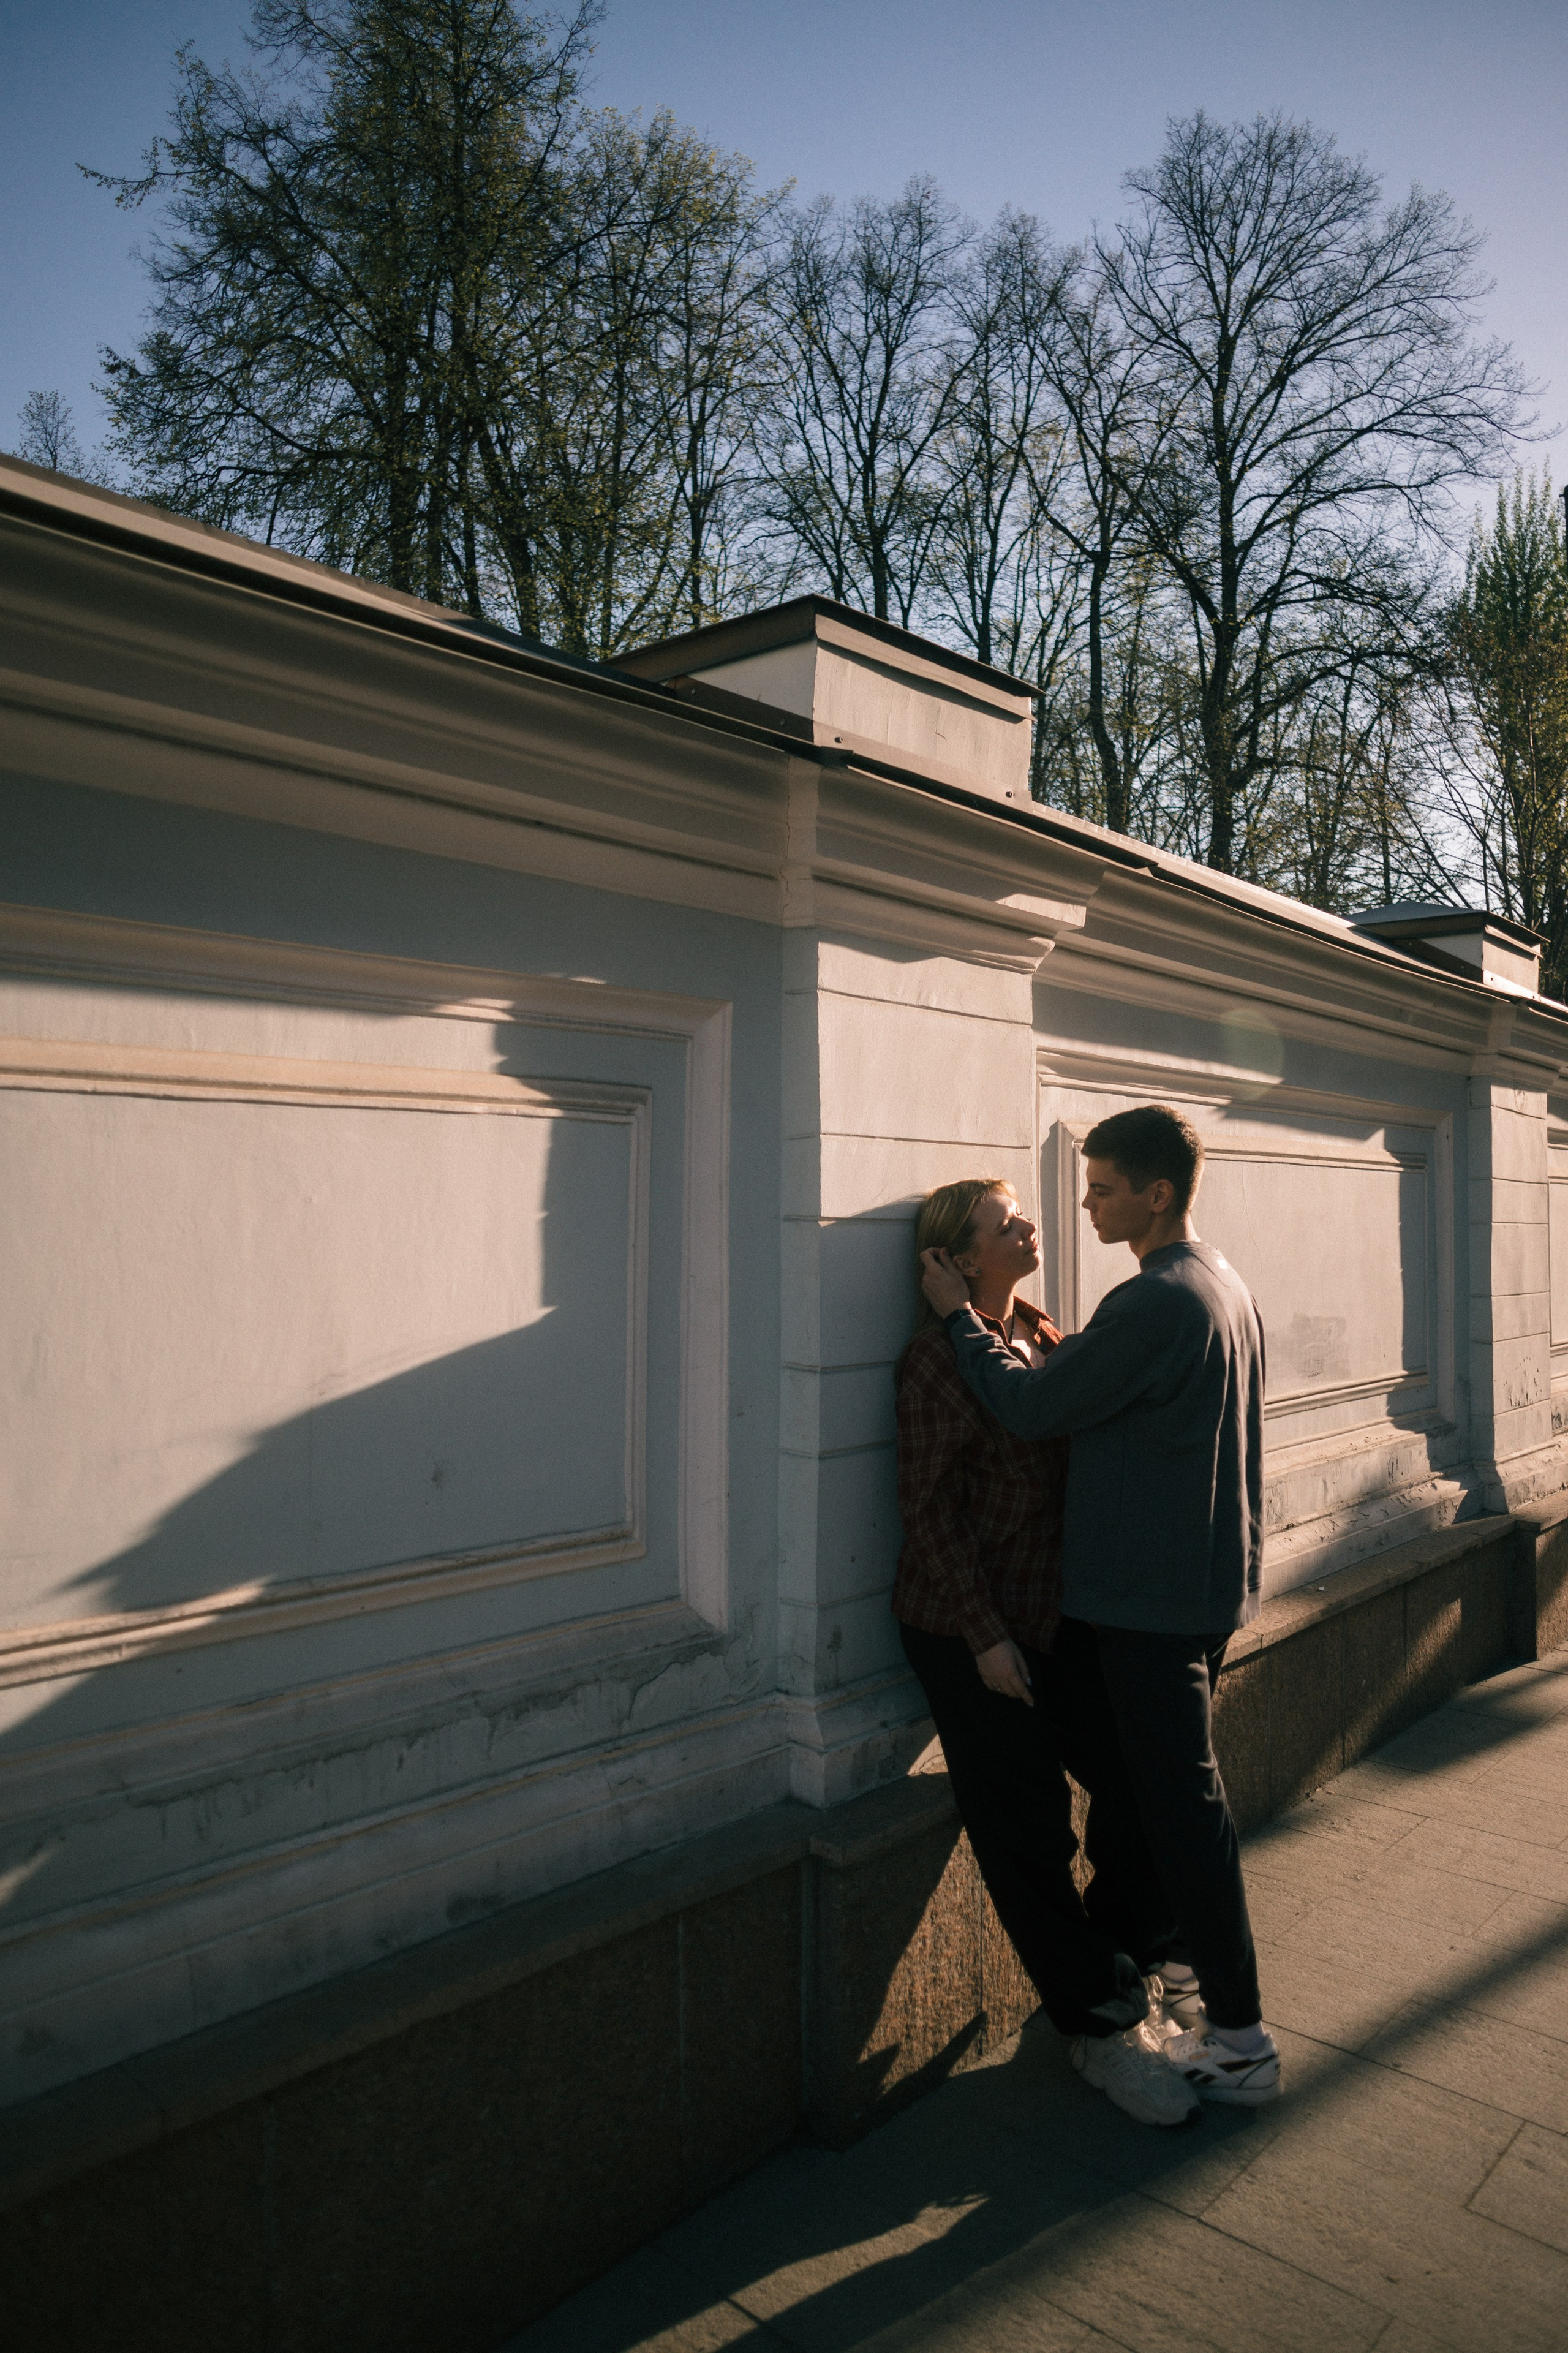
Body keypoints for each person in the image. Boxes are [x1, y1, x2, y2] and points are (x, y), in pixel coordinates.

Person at [918, 1107, 1280, 2107]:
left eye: (1104, 1187)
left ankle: (1240, 2035)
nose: (1083, 1205)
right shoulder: (1222, 1283)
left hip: (1150, 1606)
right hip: (1194, 1590)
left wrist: (958, 1316)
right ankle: (1166, 1967)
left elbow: (1033, 1407)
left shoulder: (1152, 1302)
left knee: (1180, 1811)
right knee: (1159, 1801)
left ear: (1156, 1194)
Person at [895, 1175, 1201, 2127]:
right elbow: (929, 1514)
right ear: (956, 1258)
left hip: (1055, 1616)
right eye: (1004, 1221)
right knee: (1026, 1828)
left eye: (1020, 1212)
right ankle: (1100, 2025)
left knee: (1143, 1777)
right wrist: (985, 1639)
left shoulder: (1044, 1332)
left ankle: (1125, 1962)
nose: (1030, 1224)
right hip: (967, 1626)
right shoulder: (935, 1362)